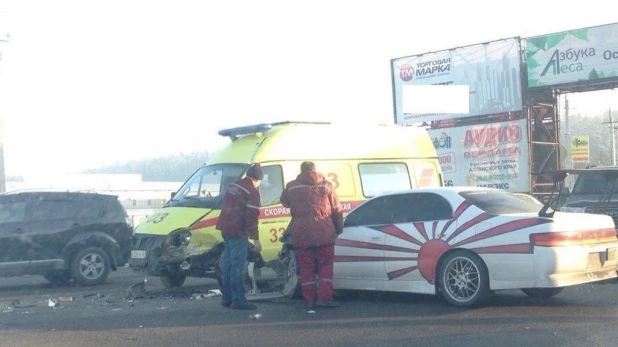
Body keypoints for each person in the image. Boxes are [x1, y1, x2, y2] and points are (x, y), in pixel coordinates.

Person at [280, 161, 344, 309]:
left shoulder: (292, 186)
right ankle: (325, 298)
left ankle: (309, 300)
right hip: (324, 232)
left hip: (302, 234)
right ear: (315, 170)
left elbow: (284, 201)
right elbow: (337, 210)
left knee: (306, 267)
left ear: (301, 170)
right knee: (325, 266)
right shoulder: (326, 185)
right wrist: (338, 229)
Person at [215, 163, 263, 310]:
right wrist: (256, 239)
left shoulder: (233, 185)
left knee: (228, 265)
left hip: (225, 228)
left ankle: (226, 298)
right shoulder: (251, 191)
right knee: (237, 267)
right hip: (237, 231)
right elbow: (251, 217)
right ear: (258, 179)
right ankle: (238, 300)